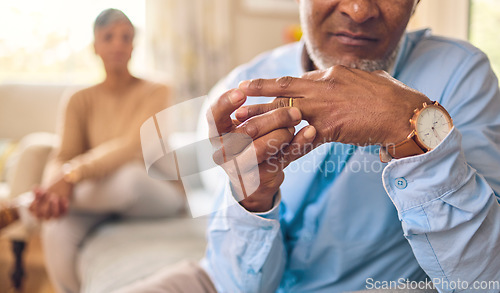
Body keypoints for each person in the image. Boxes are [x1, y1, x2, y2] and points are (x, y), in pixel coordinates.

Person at [118, 0, 500, 292]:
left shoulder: (460, 74)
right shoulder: (243, 84)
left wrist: (411, 125)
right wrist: (252, 198)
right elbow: (238, 282)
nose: (359, 9)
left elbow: (484, 277)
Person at [0, 8, 185, 293]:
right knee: (56, 227)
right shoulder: (78, 99)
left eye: (126, 37)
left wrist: (72, 174)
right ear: (95, 46)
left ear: (134, 46)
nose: (118, 44)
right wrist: (57, 182)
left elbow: (131, 145)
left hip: (156, 191)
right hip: (99, 197)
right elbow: (62, 155)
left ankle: (25, 209)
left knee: (129, 177)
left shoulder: (157, 90)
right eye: (109, 37)